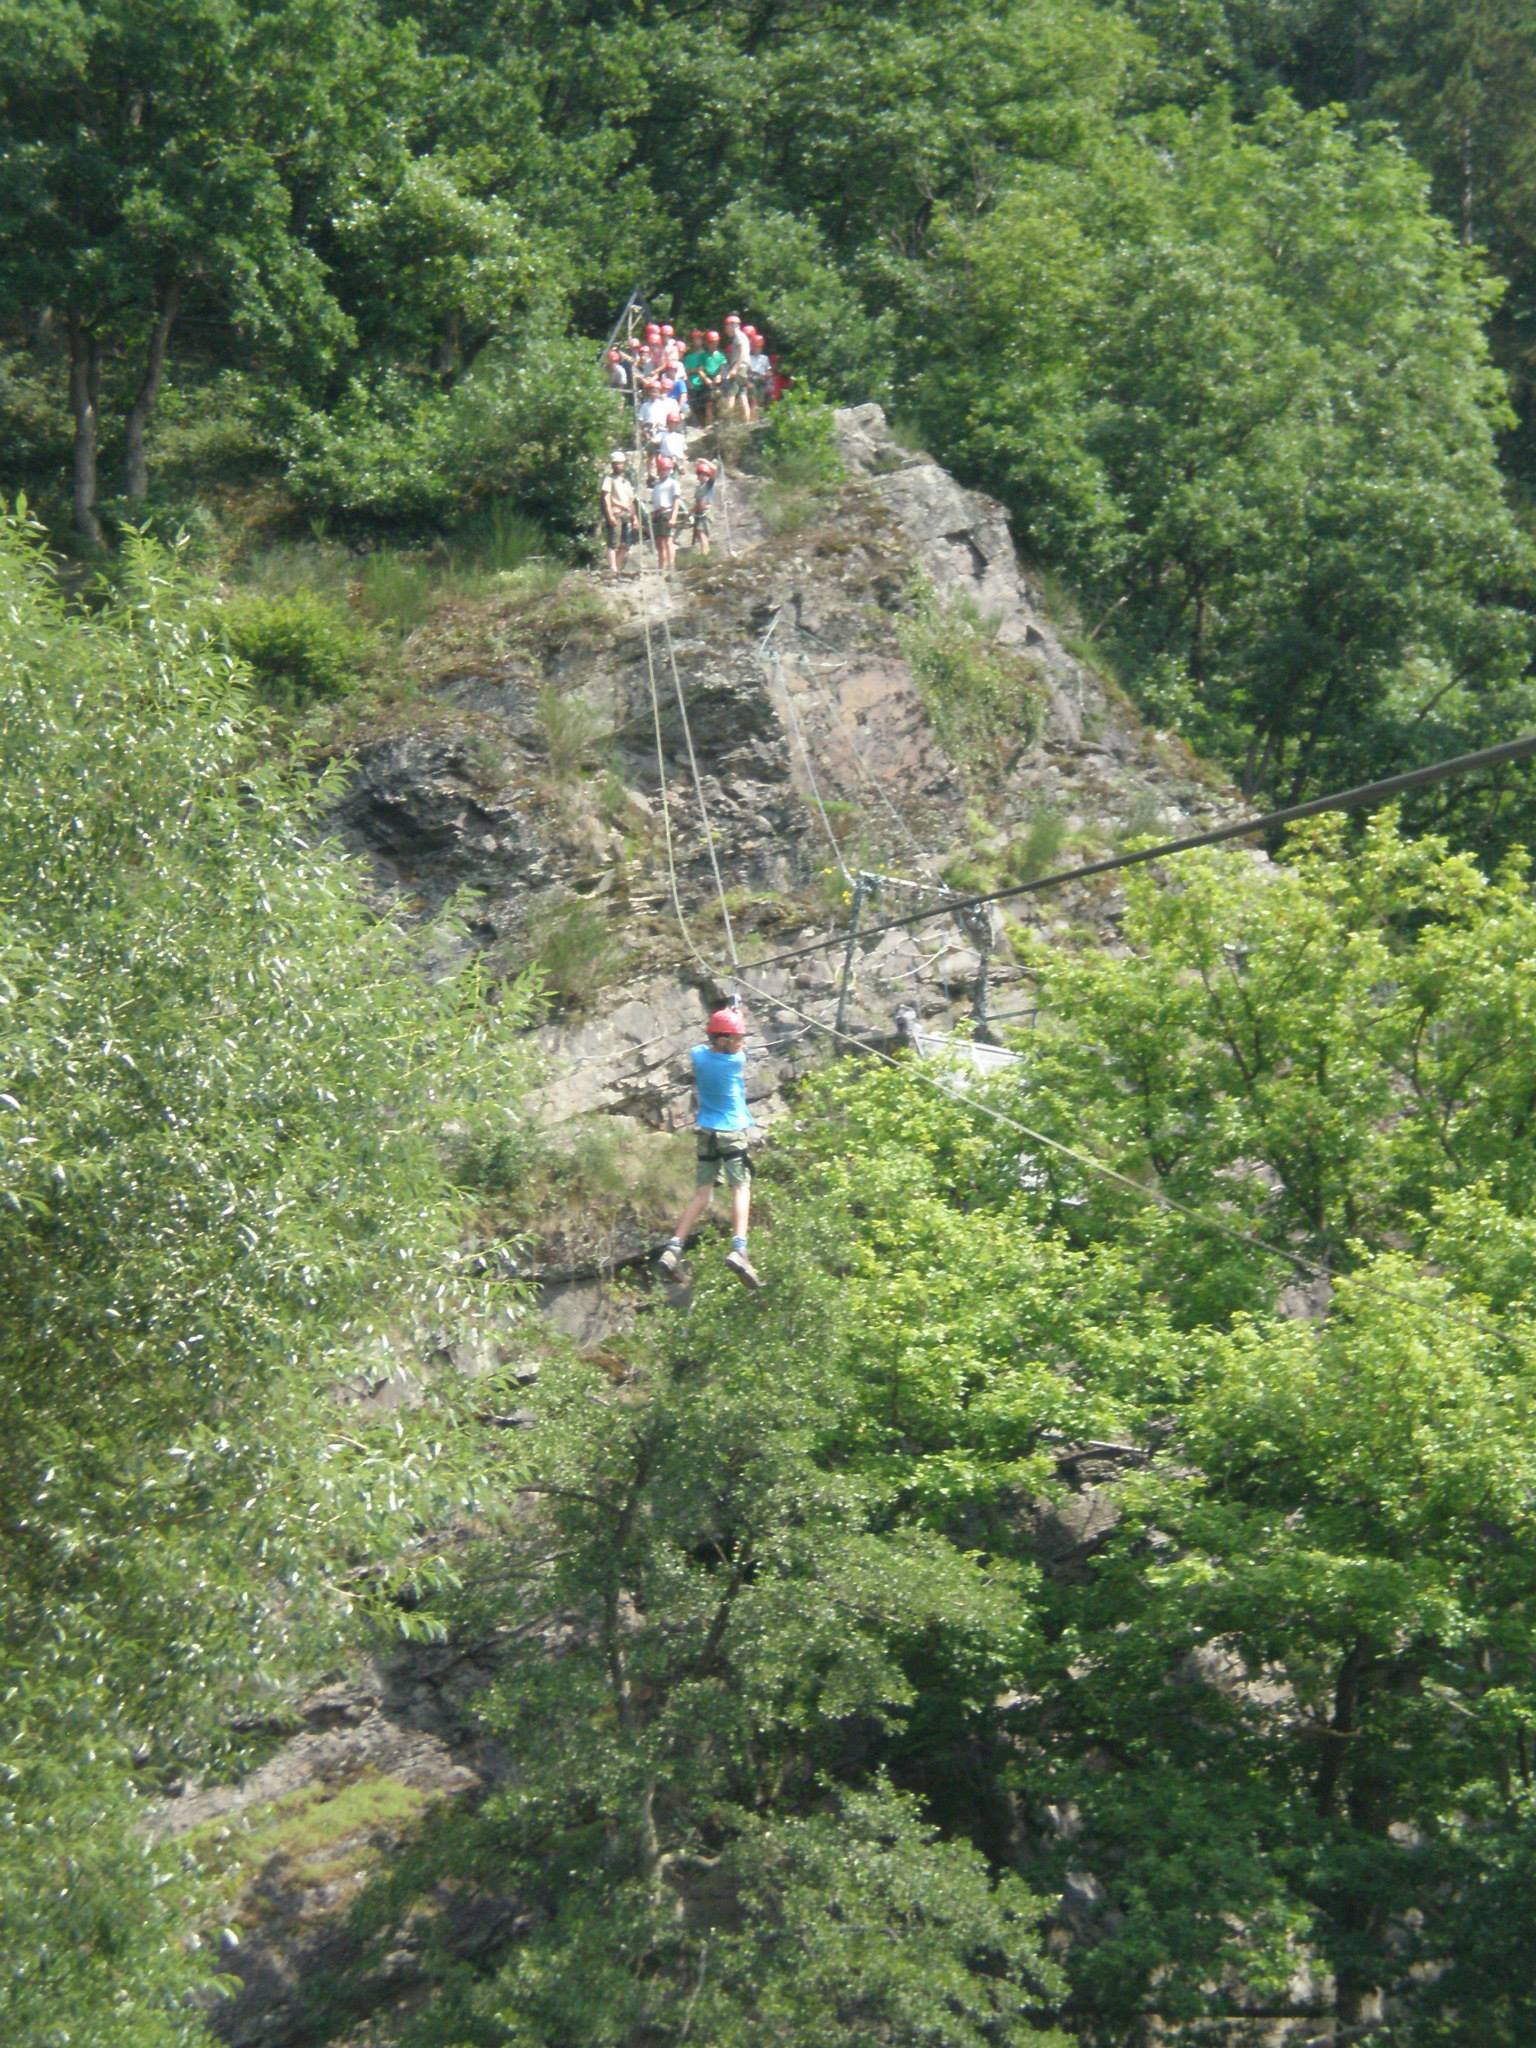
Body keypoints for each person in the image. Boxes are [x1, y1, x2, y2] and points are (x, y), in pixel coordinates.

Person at [657, 1006, 762, 1287]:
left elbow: (704, 1047)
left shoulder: (699, 1057)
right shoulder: (735, 1061)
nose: (740, 1043)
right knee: (741, 1187)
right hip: (731, 1132)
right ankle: (739, 1247)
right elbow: (736, 1051)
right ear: (724, 1041)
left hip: (706, 1134)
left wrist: (728, 1019)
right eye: (736, 1038)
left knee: (702, 1195)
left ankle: (673, 1247)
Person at [599, 451, 637, 574]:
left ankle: (617, 566)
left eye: (620, 463)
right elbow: (606, 497)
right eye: (616, 463)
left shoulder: (626, 482)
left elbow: (631, 501)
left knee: (625, 545)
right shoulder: (609, 479)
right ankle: (613, 568)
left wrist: (634, 518)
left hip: (626, 515)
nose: (618, 466)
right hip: (616, 513)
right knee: (613, 543)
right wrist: (609, 515)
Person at [650, 453, 680, 571]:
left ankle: (671, 565)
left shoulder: (673, 483)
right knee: (659, 542)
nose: (664, 471)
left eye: (666, 469)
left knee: (668, 540)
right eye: (662, 469)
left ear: (670, 470)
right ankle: (662, 566)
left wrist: (673, 517)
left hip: (667, 512)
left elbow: (676, 500)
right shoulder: (657, 486)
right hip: (657, 514)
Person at [690, 458, 717, 555]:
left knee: (702, 534)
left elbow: (715, 469)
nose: (703, 476)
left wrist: (704, 461)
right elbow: (697, 503)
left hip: (706, 513)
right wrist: (690, 512)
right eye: (701, 474)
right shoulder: (698, 489)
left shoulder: (709, 485)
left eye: (705, 474)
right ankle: (704, 553)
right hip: (698, 513)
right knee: (699, 534)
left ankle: (705, 555)